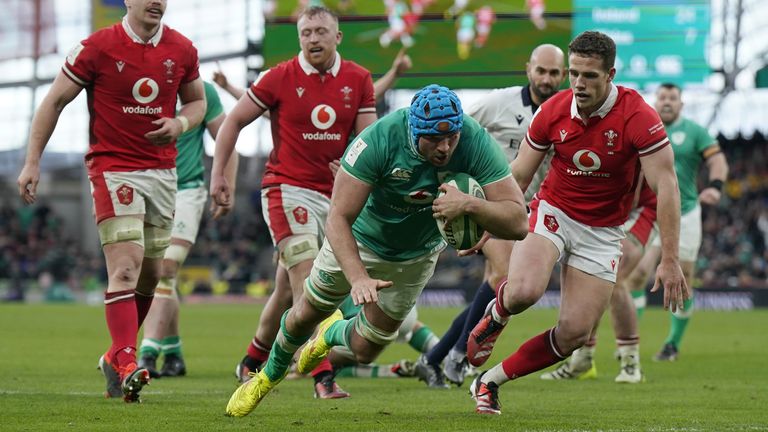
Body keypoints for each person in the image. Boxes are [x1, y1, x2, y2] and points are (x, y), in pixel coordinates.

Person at [223, 84, 530, 418]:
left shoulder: (474, 141)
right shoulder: (378, 140)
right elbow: (338, 218)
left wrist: (469, 204)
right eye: (434, 139)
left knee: (366, 349)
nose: (444, 148)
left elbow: (518, 222)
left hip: (417, 255)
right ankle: (266, 377)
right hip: (360, 240)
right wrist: (357, 279)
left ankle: (330, 334)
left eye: (451, 138)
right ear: (414, 129)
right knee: (305, 313)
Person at [465, 31, 688, 415]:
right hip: (554, 211)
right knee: (524, 291)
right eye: (574, 74)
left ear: (611, 74)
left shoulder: (638, 116)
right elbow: (518, 177)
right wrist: (491, 216)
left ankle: (489, 381)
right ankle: (496, 316)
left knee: (573, 335)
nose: (579, 84)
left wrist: (669, 259)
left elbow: (666, 186)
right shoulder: (551, 111)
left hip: (603, 232)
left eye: (590, 76)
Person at [17, 0, 205, 403]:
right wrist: (32, 161)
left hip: (162, 173)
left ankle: (113, 356)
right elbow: (53, 102)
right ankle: (124, 358)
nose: (156, 1)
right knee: (125, 267)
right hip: (112, 167)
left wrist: (180, 123)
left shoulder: (183, 49)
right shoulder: (96, 47)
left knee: (151, 276)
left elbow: (197, 102)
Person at [217, 45, 411, 395]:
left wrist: (358, 168)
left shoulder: (358, 78)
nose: (312, 38)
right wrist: (220, 175)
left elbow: (370, 140)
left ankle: (252, 358)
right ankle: (322, 376)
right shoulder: (279, 76)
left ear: (336, 36)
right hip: (285, 189)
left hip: (335, 197)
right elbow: (234, 119)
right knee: (307, 280)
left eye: (320, 30)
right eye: (305, 32)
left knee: (284, 293)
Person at [414, 43, 566, 388]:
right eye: (541, 71)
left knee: (495, 284)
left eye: (554, 72)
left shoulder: (564, 112)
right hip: (488, 204)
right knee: (501, 278)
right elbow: (457, 130)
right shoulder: (500, 102)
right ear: (529, 68)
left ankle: (434, 358)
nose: (546, 79)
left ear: (563, 75)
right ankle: (457, 357)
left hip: (528, 211)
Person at [137, 81, 238, 378]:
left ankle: (147, 353)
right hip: (146, 189)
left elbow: (227, 141)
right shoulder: (141, 89)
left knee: (166, 268)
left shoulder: (203, 92)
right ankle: (174, 354)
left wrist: (226, 184)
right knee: (155, 274)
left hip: (186, 191)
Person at [628, 83, 729, 362]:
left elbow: (718, 161)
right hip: (651, 212)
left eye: (673, 98)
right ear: (655, 102)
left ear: (681, 104)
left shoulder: (695, 132)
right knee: (636, 275)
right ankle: (630, 343)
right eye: (662, 97)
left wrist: (716, 186)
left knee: (682, 281)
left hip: (685, 214)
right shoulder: (644, 128)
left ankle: (672, 342)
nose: (667, 102)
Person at [540, 180, 657, 383]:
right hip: (601, 209)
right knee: (588, 279)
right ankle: (582, 360)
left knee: (615, 277)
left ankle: (631, 363)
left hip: (637, 209)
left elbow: (634, 192)